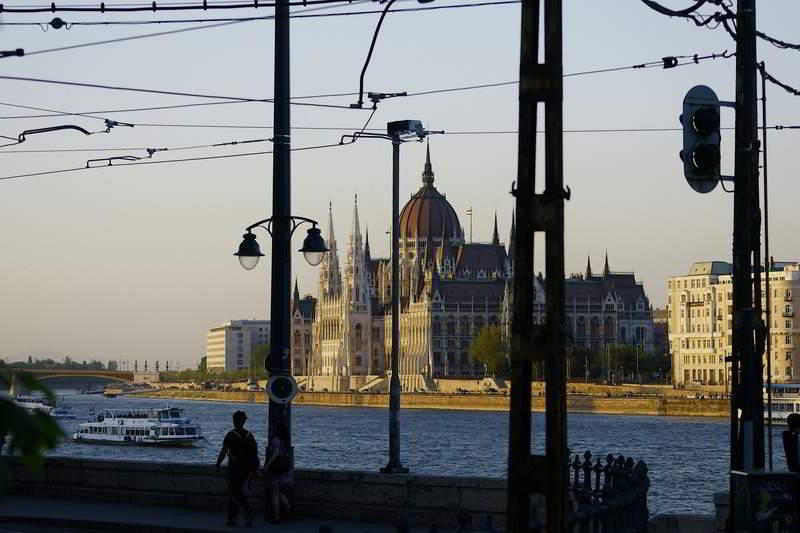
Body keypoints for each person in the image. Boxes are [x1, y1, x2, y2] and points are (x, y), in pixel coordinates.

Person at [215, 410, 258, 526]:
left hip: (235, 468)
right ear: (244, 421)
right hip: (248, 468)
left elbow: (224, 451)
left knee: (235, 493)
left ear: (234, 421)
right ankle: (232, 518)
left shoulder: (231, 435)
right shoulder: (249, 435)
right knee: (235, 492)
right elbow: (255, 453)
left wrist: (218, 464)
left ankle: (248, 511)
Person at [265, 420, 293, 524]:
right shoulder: (285, 440)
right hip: (285, 471)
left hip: (277, 471)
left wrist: (268, 464)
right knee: (280, 492)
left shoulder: (276, 440)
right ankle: (288, 508)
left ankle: (277, 517)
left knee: (274, 494)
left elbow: (276, 452)